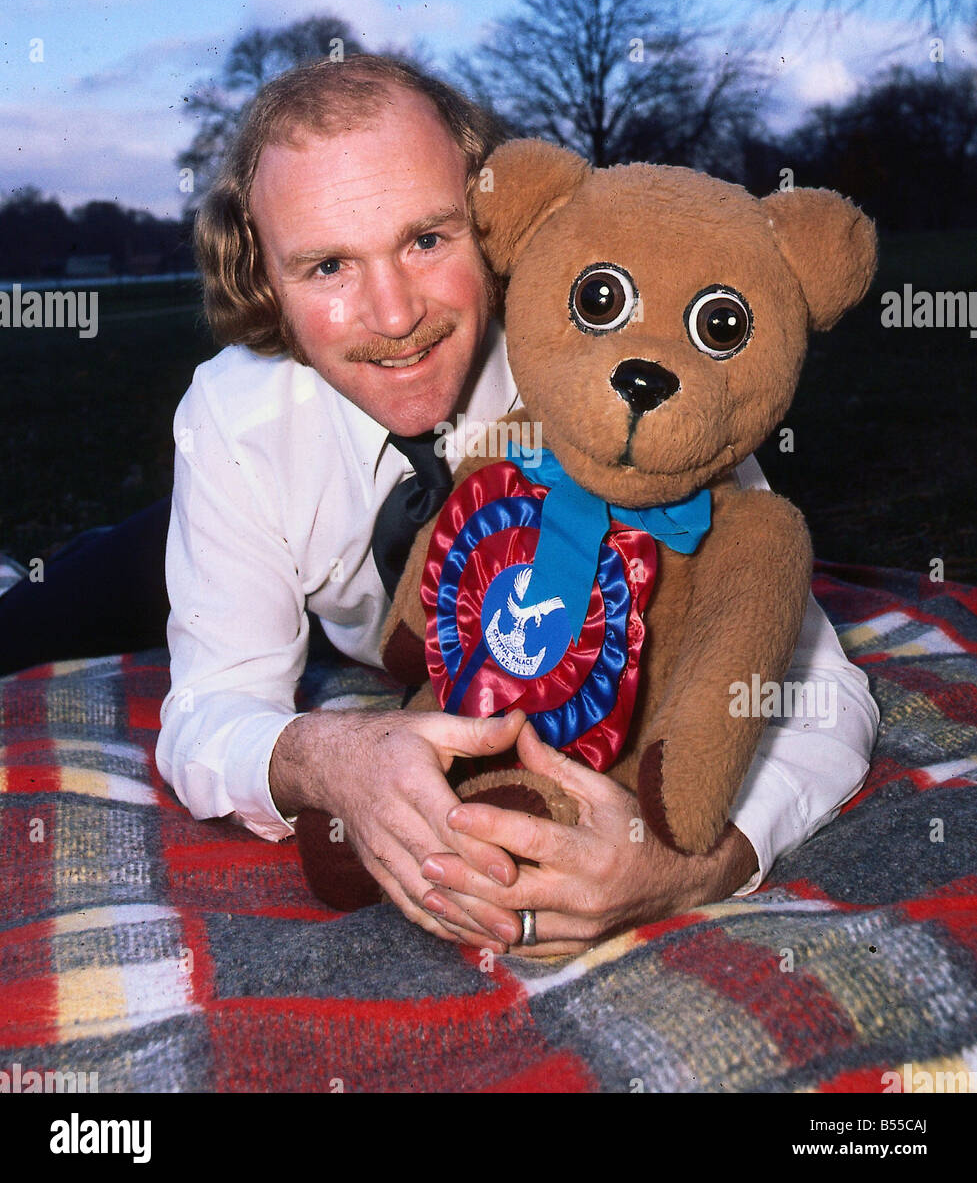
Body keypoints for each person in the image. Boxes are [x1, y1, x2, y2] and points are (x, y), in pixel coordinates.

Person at [6, 53, 880, 957]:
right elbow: (210, 712)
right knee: (32, 615)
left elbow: (822, 695)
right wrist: (328, 759)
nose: (393, 315)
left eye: (427, 239)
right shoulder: (234, 416)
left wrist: (692, 866)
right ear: (264, 277)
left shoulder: (616, 383)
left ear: (497, 225)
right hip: (202, 537)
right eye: (328, 266)